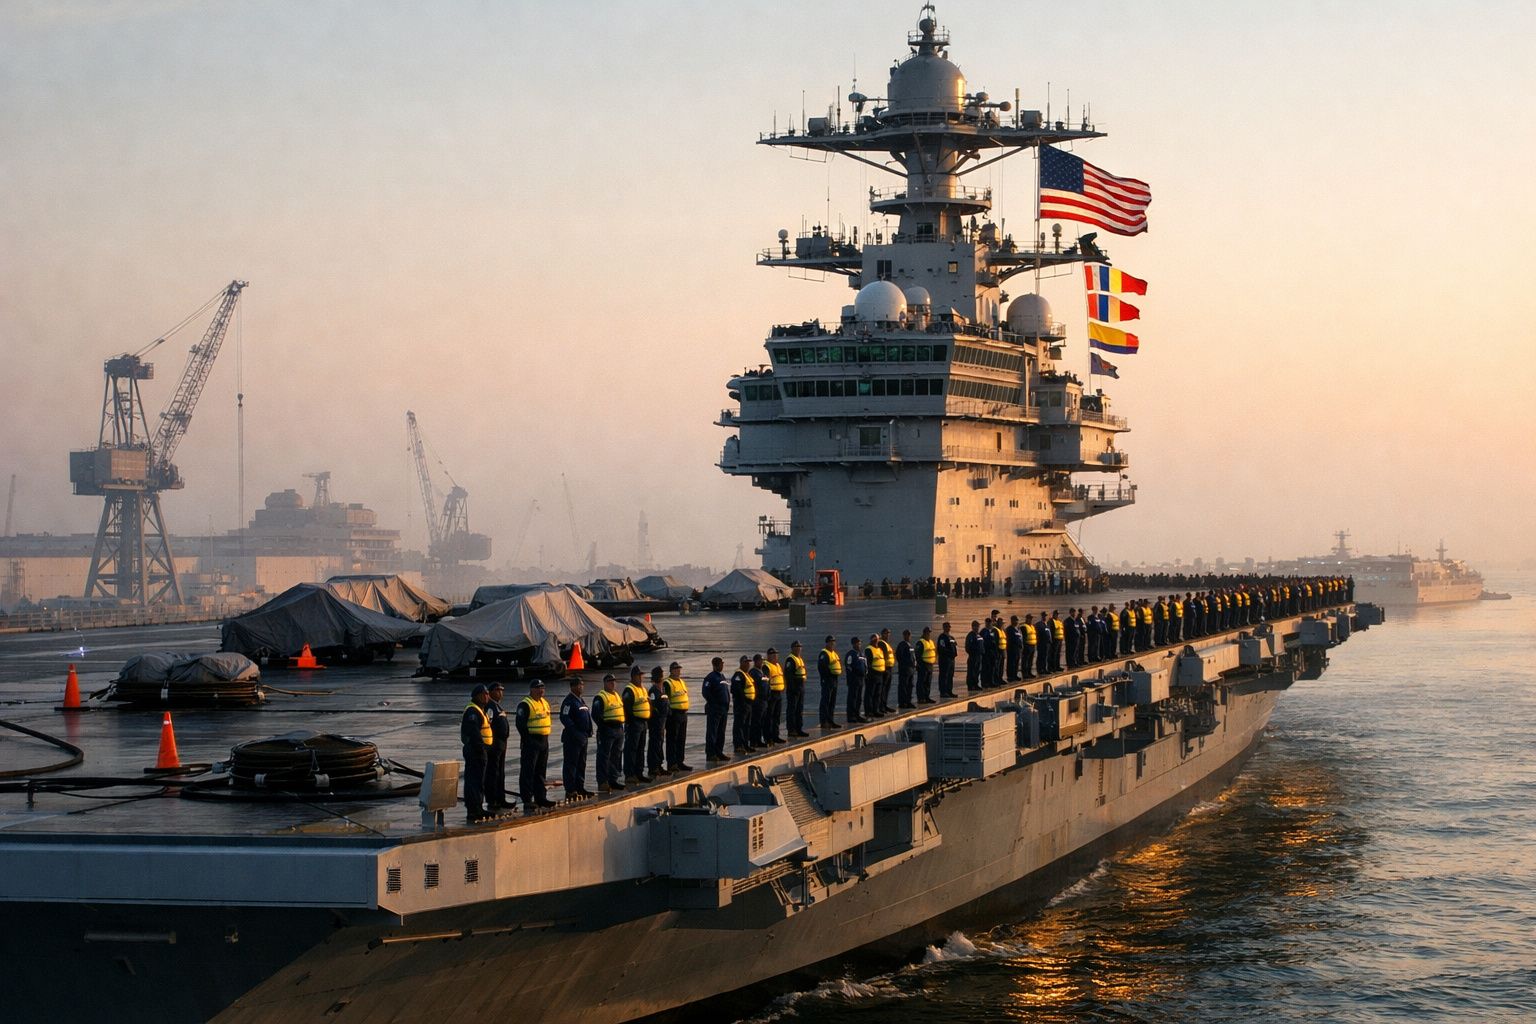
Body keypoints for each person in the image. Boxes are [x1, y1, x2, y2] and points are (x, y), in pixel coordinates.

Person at [515, 679, 555, 811]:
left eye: (542, 687)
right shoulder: (525, 704)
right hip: (531, 741)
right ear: (531, 689)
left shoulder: (544, 703)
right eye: (538, 688)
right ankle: (527, 799)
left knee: (540, 771)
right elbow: (520, 724)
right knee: (528, 771)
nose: (541, 690)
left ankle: (540, 797)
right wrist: (527, 740)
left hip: (543, 741)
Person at [461, 683, 493, 822]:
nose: (487, 696)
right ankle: (473, 809)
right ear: (478, 696)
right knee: (474, 780)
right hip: (475, 750)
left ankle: (478, 807)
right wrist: (481, 748)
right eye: (485, 694)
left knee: (479, 780)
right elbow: (474, 733)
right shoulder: (473, 711)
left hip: (480, 750)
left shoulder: (480, 710)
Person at [559, 675, 593, 800]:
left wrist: (589, 730)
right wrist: (575, 732)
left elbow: (586, 715)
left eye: (582, 684)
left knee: (581, 764)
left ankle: (580, 787)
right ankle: (570, 789)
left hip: (583, 737)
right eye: (579, 685)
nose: (581, 687)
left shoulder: (581, 700)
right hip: (572, 738)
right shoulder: (569, 701)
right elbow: (565, 717)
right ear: (572, 687)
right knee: (571, 764)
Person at [592, 674, 626, 793]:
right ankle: (602, 782)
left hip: (618, 730)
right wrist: (604, 727)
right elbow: (596, 714)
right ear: (605, 683)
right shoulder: (600, 697)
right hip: (607, 730)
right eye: (610, 681)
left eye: (613, 681)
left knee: (616, 756)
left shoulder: (616, 695)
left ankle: (613, 780)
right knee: (604, 756)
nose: (612, 683)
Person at [621, 666, 652, 785]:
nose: (641, 678)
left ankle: (639, 773)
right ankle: (630, 774)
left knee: (640, 749)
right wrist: (632, 722)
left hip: (643, 723)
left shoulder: (642, 689)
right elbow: (627, 709)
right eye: (639, 676)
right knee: (631, 750)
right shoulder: (629, 690)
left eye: (641, 675)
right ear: (633, 677)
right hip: (634, 724)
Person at [485, 682, 511, 813]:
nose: (501, 693)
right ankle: (493, 799)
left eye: (502, 690)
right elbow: (488, 723)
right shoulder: (490, 706)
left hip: (501, 743)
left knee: (500, 772)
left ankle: (501, 798)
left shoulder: (497, 706)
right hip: (495, 744)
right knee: (493, 772)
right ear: (491, 692)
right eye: (498, 690)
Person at [662, 661, 693, 772]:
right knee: (672, 739)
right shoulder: (667, 683)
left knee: (681, 739)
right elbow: (666, 700)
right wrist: (669, 714)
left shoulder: (681, 682)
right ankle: (672, 763)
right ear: (671, 670)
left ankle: (680, 761)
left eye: (679, 669)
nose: (678, 671)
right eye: (676, 669)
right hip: (674, 715)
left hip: (683, 714)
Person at [701, 657, 730, 762]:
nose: (722, 666)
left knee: (721, 732)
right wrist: (714, 703)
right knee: (712, 732)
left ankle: (719, 752)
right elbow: (705, 692)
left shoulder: (722, 676)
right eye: (720, 664)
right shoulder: (710, 678)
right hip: (715, 709)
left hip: (723, 709)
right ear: (715, 665)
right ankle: (711, 754)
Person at [646, 665, 670, 778]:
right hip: (656, 722)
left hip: (663, 721)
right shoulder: (653, 691)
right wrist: (657, 718)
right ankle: (653, 767)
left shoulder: (663, 689)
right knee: (654, 744)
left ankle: (659, 765)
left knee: (660, 743)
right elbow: (652, 706)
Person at [730, 655, 757, 754]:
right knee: (739, 725)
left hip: (748, 705)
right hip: (741, 705)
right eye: (746, 662)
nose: (748, 664)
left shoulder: (747, 674)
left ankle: (745, 744)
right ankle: (738, 746)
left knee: (746, 726)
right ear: (741, 663)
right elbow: (736, 690)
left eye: (749, 662)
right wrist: (744, 701)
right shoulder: (738, 675)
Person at [783, 641, 809, 737]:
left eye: (800, 647)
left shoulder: (799, 659)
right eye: (797, 647)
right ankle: (791, 729)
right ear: (792, 648)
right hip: (794, 689)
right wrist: (793, 688)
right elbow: (788, 675)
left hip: (801, 687)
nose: (799, 649)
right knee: (792, 709)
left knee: (799, 709)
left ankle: (799, 728)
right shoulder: (791, 660)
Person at [817, 636, 842, 729]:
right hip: (828, 680)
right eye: (831, 642)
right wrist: (829, 675)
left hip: (834, 679)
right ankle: (824, 721)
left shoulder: (834, 653)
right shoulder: (824, 653)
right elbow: (822, 667)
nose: (832, 644)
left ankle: (830, 720)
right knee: (825, 701)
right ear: (827, 643)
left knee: (832, 701)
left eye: (833, 642)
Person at [763, 648, 786, 743]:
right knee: (769, 717)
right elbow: (766, 682)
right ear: (769, 656)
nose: (775, 656)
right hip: (771, 694)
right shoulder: (766, 666)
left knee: (777, 716)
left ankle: (775, 735)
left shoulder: (777, 665)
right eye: (773, 655)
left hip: (778, 694)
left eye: (776, 654)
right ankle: (768, 737)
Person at [844, 636, 868, 724]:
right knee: (852, 698)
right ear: (853, 644)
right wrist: (853, 675)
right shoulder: (851, 654)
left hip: (861, 679)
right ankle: (851, 716)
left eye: (860, 643)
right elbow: (848, 666)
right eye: (857, 643)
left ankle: (857, 714)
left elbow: (865, 665)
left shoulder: (861, 654)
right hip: (854, 680)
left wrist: (865, 673)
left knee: (858, 698)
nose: (859, 644)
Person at [877, 629, 897, 713]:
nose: (888, 635)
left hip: (889, 668)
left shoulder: (886, 644)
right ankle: (881, 706)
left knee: (886, 688)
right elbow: (883, 656)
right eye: (886, 634)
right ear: (882, 634)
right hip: (885, 669)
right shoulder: (881, 643)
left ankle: (884, 705)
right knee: (883, 689)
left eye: (888, 633)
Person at [915, 626, 936, 704]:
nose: (928, 634)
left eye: (929, 632)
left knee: (928, 682)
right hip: (923, 665)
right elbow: (917, 654)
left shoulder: (931, 641)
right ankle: (921, 698)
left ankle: (927, 697)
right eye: (927, 632)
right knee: (921, 682)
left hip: (930, 665)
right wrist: (920, 664)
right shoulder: (921, 642)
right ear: (924, 633)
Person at [896, 629, 916, 708]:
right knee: (903, 686)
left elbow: (912, 656)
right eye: (907, 635)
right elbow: (899, 656)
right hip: (905, 669)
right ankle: (902, 702)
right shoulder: (902, 645)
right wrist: (904, 664)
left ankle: (908, 701)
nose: (908, 636)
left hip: (911, 669)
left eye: (909, 635)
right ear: (904, 636)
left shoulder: (910, 645)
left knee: (910, 686)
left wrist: (914, 663)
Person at [936, 621, 957, 698]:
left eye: (949, 627)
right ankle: (943, 692)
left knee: (950, 676)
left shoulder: (951, 637)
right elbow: (942, 648)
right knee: (944, 675)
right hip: (944, 659)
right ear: (944, 628)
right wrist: (949, 653)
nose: (948, 628)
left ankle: (949, 691)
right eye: (946, 627)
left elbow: (955, 645)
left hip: (951, 659)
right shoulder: (942, 637)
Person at [964, 620, 984, 692]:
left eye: (978, 626)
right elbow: (968, 647)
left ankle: (975, 684)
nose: (977, 628)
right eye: (976, 626)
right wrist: (973, 653)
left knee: (977, 671)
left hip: (979, 656)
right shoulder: (970, 635)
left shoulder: (979, 635)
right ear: (973, 627)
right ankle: (970, 685)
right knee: (971, 671)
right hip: (973, 657)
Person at [1005, 616, 1022, 682]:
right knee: (1011, 663)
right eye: (1015, 620)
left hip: (1018, 649)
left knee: (1016, 663)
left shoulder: (1018, 629)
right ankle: (1010, 676)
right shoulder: (1009, 629)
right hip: (1012, 649)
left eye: (1017, 620)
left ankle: (1015, 675)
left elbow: (1020, 638)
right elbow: (1009, 640)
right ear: (1012, 621)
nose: (1016, 622)